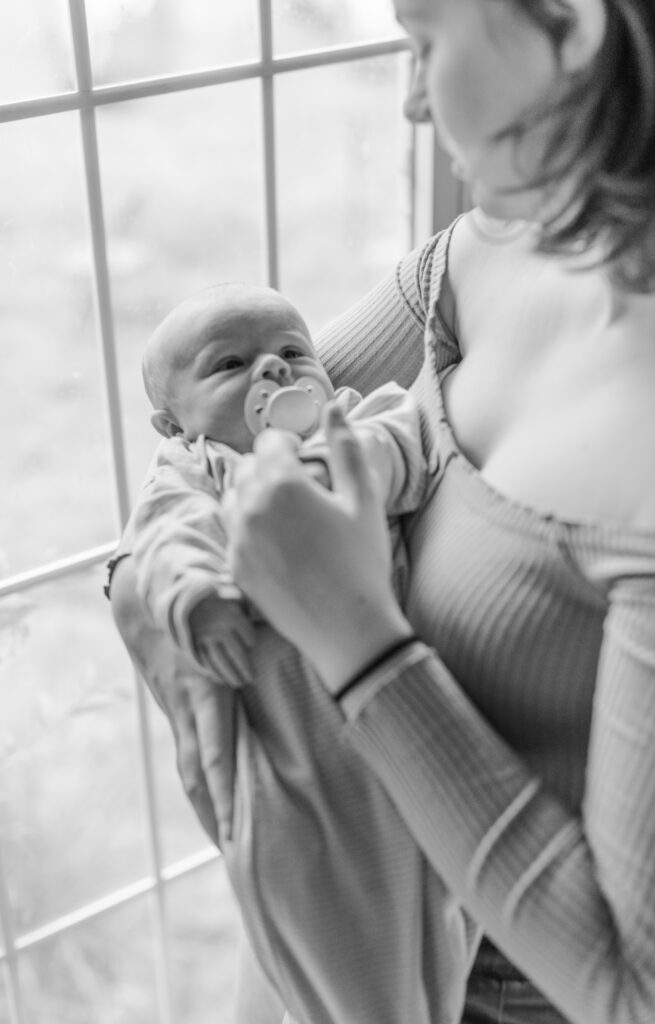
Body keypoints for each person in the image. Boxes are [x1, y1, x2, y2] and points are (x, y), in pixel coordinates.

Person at [109, 1, 655, 1022]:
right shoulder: (476, 255)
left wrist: (349, 635)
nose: (411, 104)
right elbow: (220, 448)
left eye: (422, 41)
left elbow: (638, 990)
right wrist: (179, 575)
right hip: (334, 904)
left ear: (575, 24)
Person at [126, 282, 472, 1024]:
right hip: (291, 757)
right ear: (171, 421)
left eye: (292, 353)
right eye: (231, 365)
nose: (273, 374)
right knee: (327, 941)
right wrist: (195, 594)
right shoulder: (195, 471)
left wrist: (334, 465)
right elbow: (162, 539)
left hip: (406, 724)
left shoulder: (350, 424)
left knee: (446, 922)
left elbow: (408, 439)